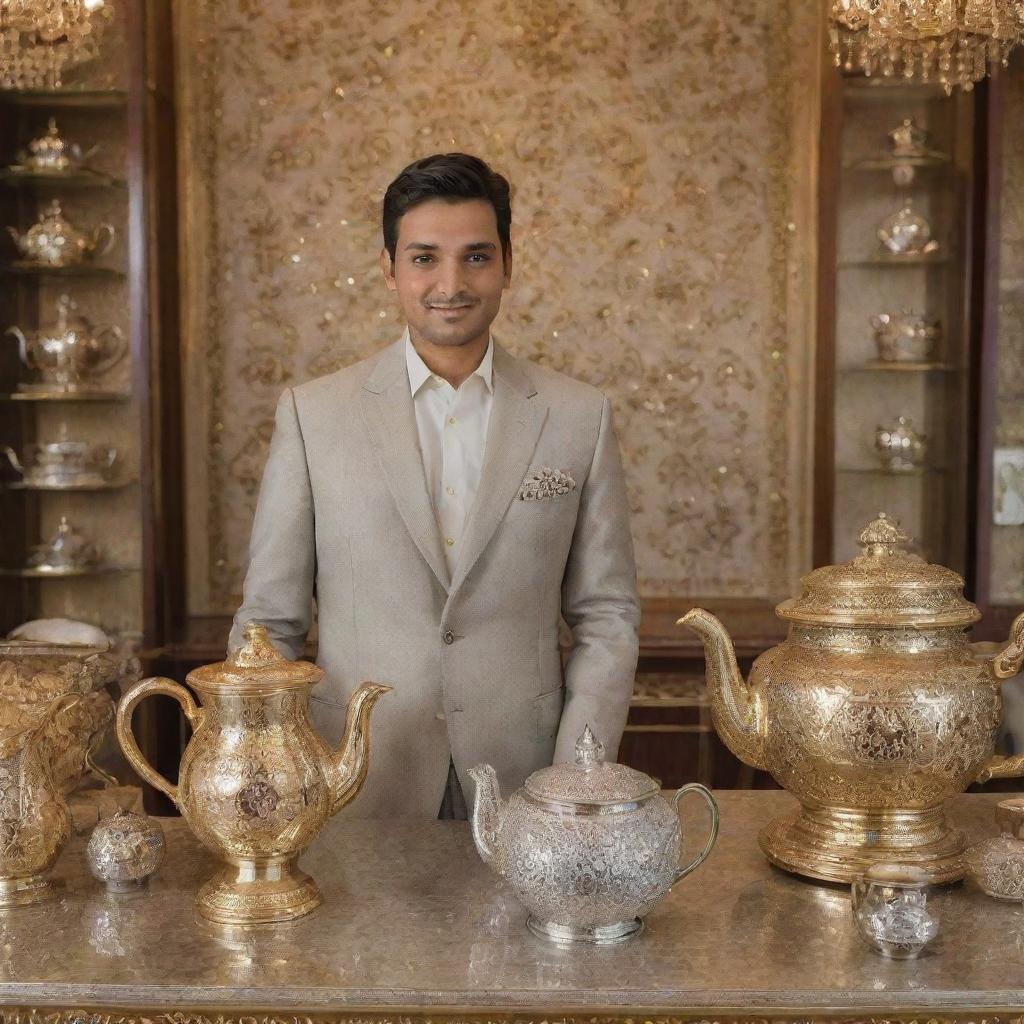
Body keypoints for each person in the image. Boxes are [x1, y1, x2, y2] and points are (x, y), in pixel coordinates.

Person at [229, 153, 640, 818]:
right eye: (424, 258)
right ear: (389, 267)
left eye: (476, 257)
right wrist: (270, 774)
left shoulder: (577, 416)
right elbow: (268, 627)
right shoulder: (314, 414)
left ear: (507, 263)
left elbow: (607, 617)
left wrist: (577, 776)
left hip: (529, 785)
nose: (451, 282)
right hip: (354, 784)